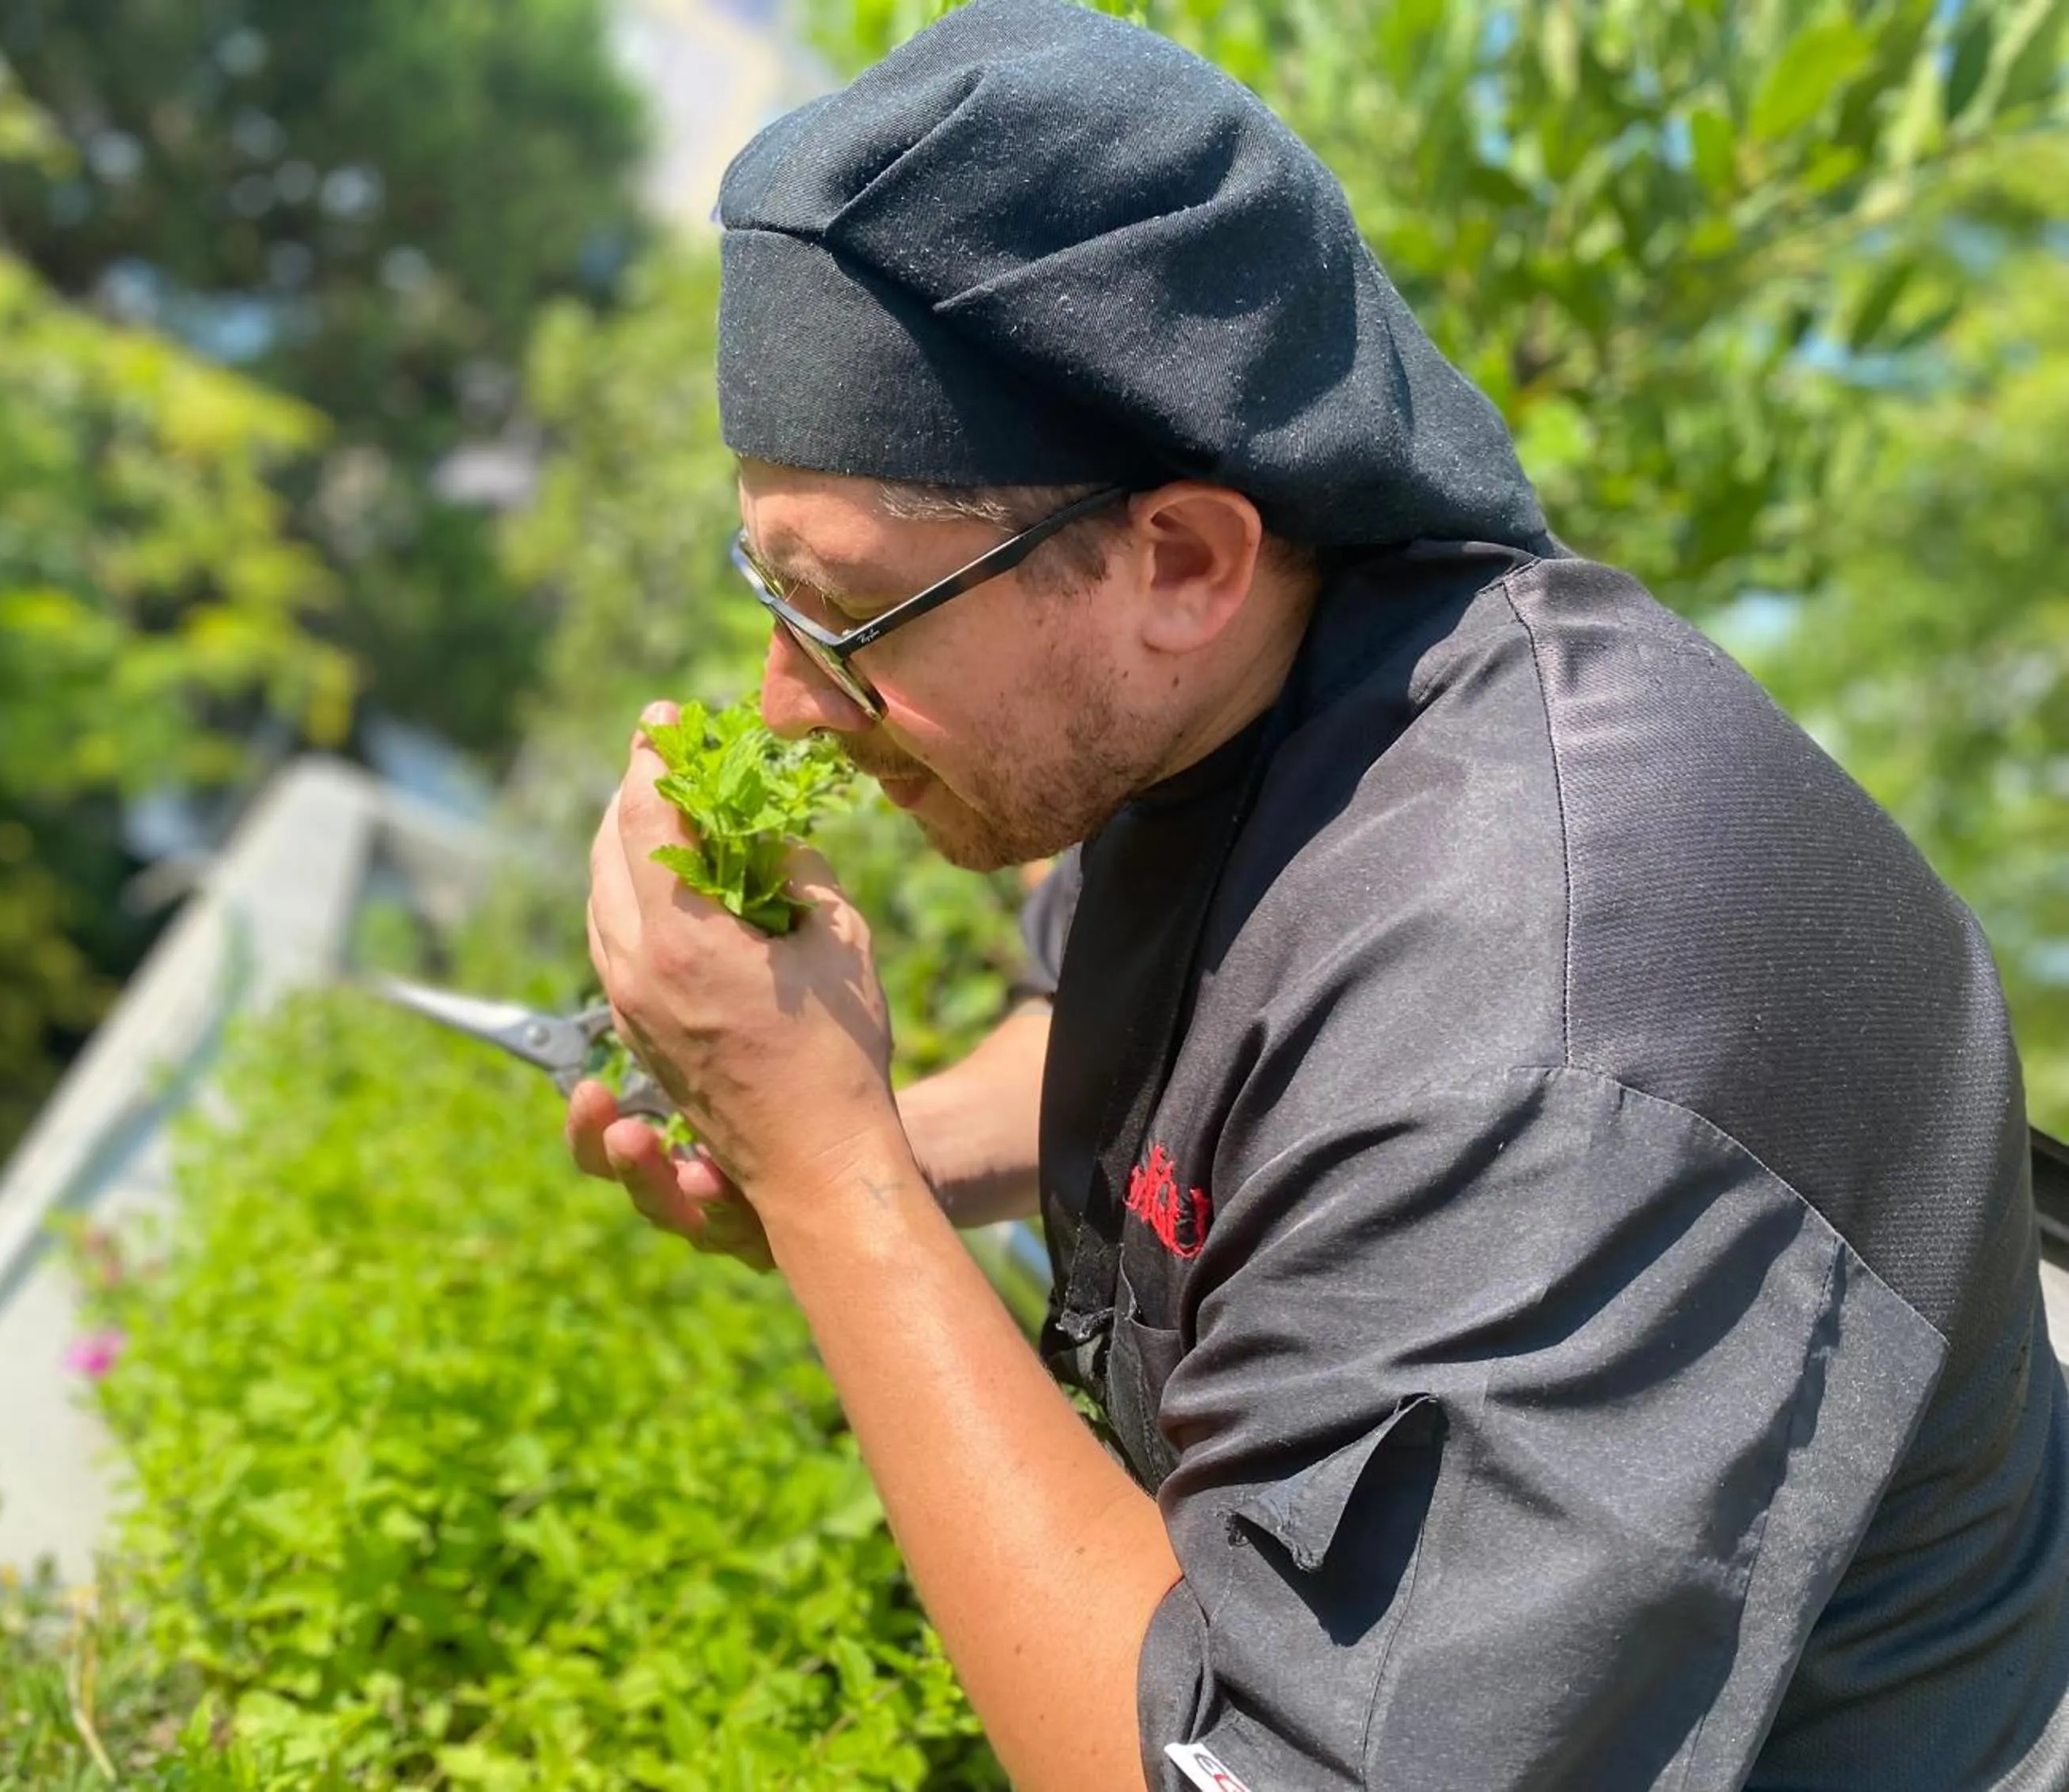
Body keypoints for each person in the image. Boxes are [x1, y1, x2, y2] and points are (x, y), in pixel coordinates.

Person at [566, 2, 2069, 1786]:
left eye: (846, 614)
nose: (784, 704)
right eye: (770, 588)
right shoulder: (1267, 687)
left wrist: (838, 1186)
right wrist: (858, 1130)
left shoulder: (1553, 1041)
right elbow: (1147, 1031)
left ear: (1182, 559)